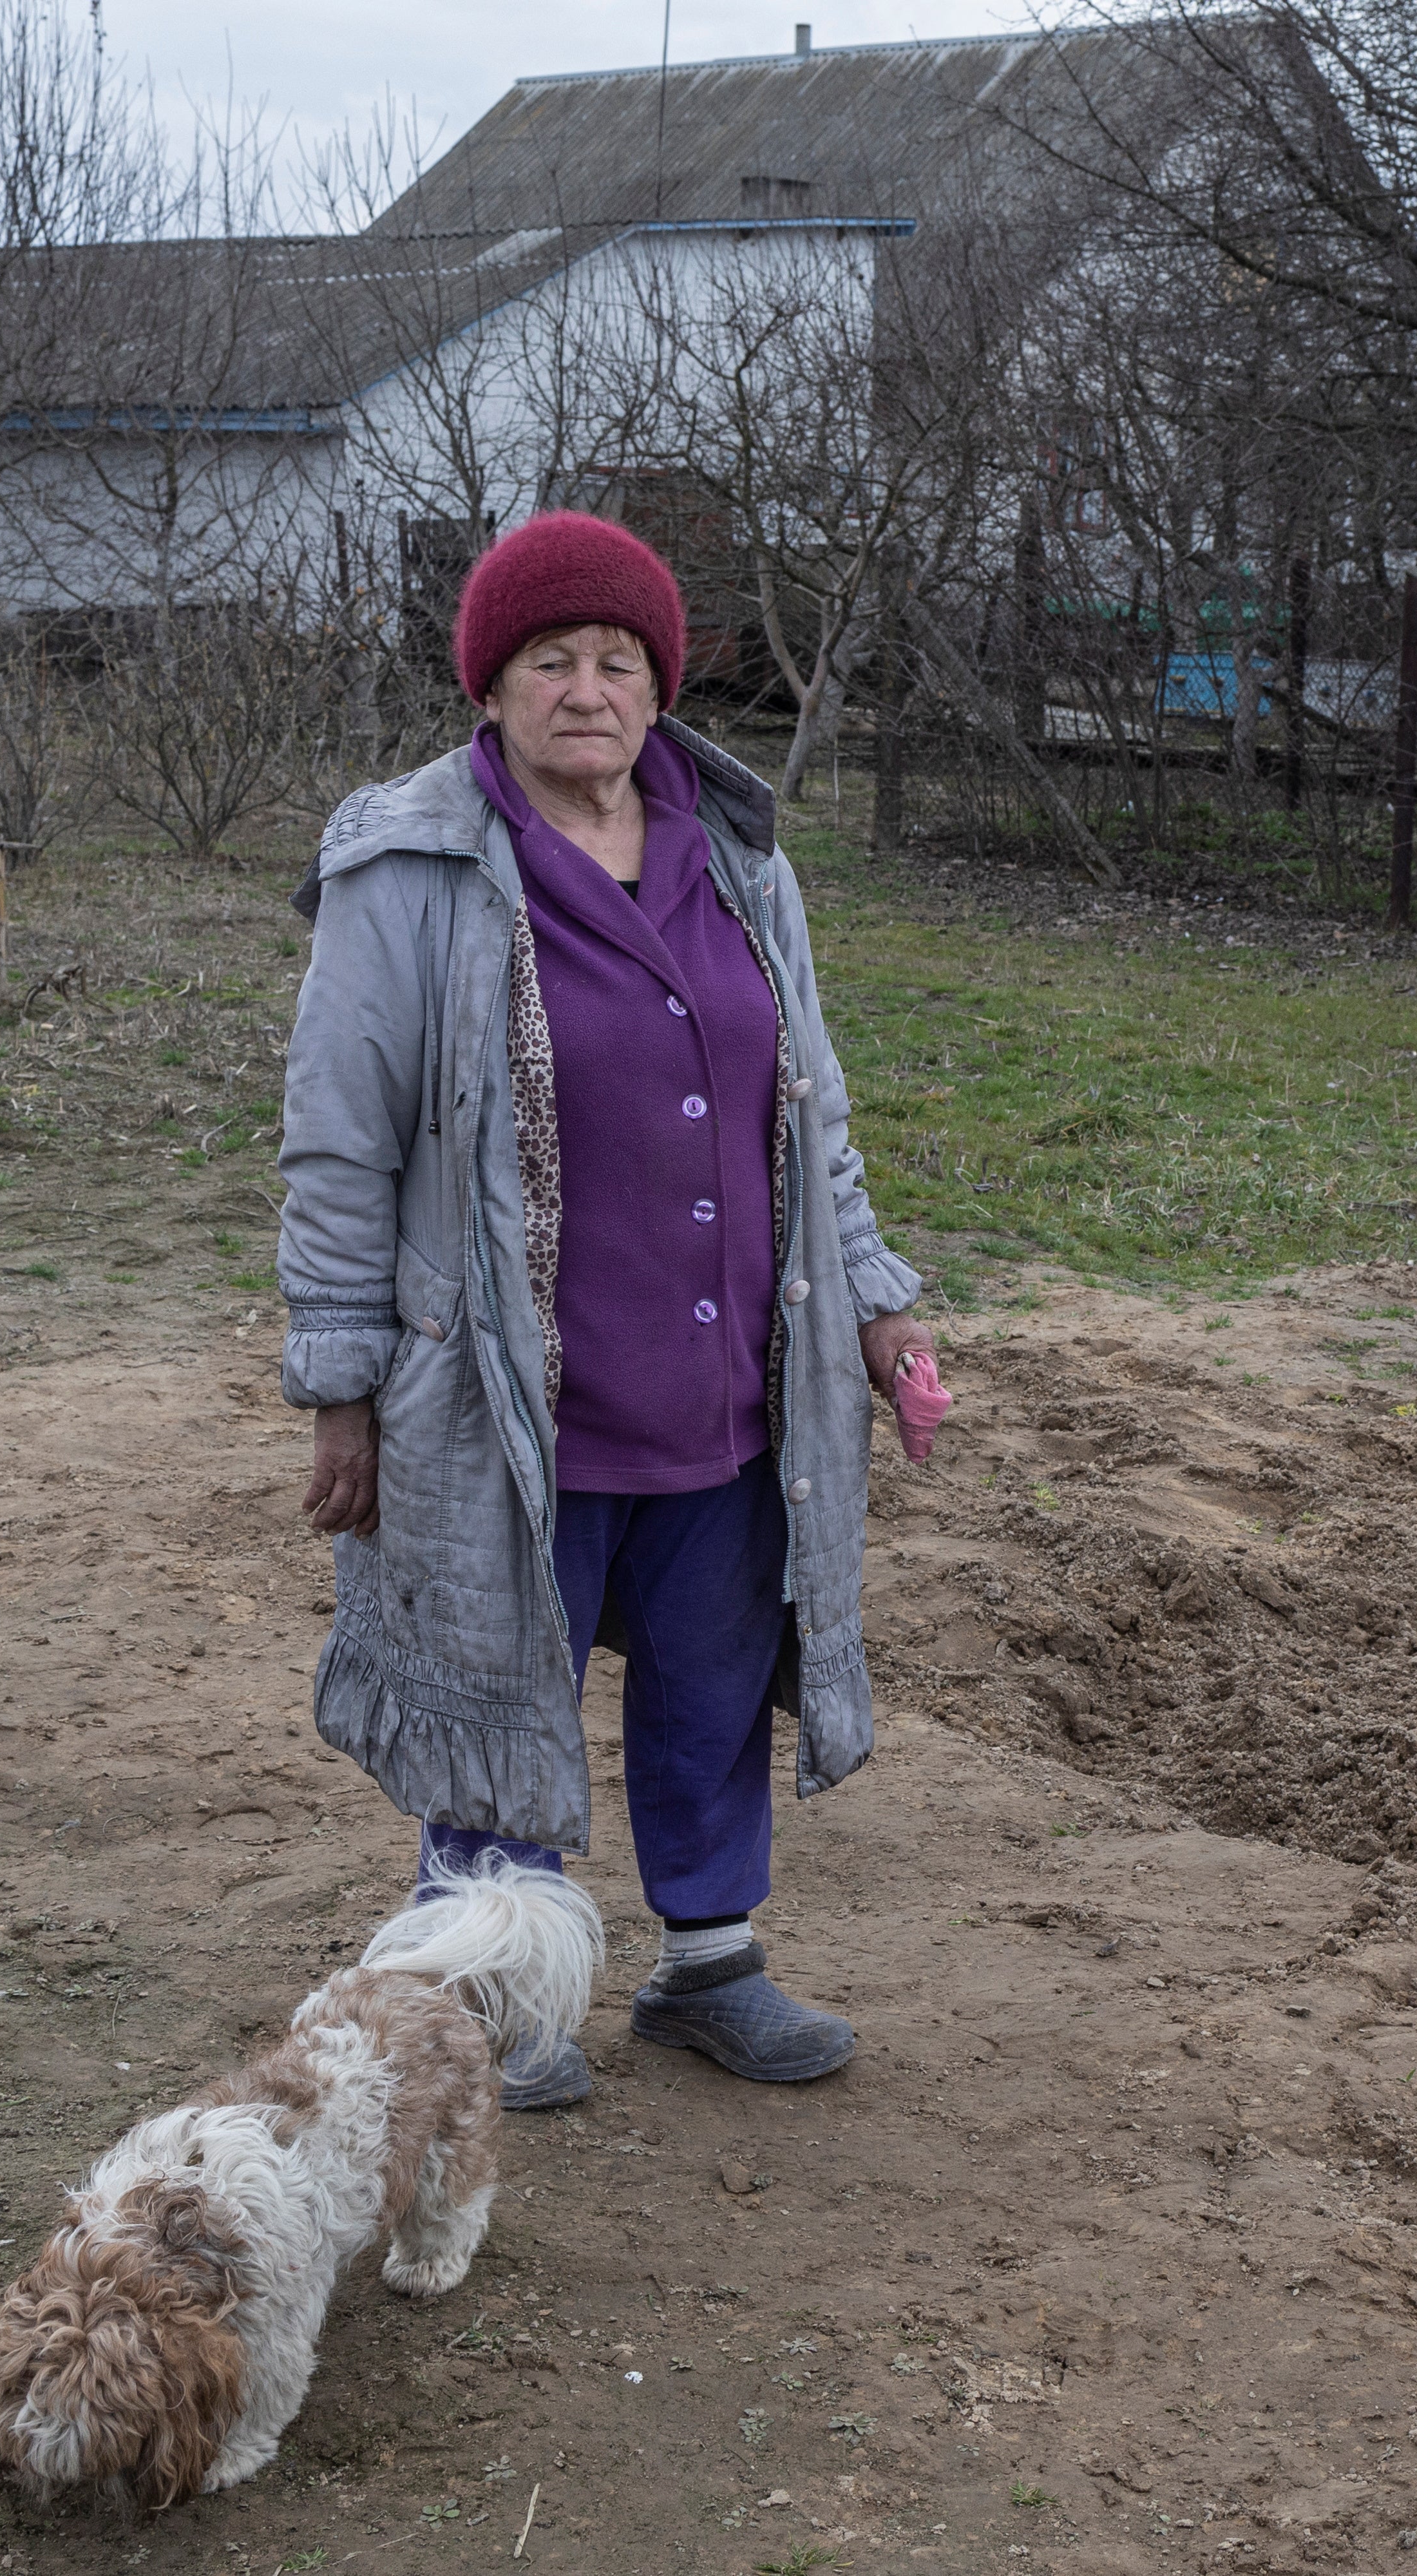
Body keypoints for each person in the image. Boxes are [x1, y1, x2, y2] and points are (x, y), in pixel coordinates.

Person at [272, 510, 935, 2106]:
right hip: (510, 1387)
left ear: (662, 683)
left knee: (713, 1673)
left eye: (618, 660)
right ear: (490, 688)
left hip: (718, 1380)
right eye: (549, 660)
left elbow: (813, 1116)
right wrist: (342, 1382)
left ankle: (709, 1963)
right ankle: (497, 1993)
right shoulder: (412, 866)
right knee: (502, 1672)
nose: (588, 690)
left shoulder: (740, 860)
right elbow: (339, 1137)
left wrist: (878, 1304)